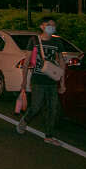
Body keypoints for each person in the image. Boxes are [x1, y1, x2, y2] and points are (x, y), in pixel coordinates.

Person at [16, 17, 66, 145]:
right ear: (42, 27)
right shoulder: (34, 41)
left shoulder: (57, 42)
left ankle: (49, 135)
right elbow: (27, 62)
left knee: (52, 108)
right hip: (38, 79)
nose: (52, 27)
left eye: (54, 25)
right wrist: (24, 81)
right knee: (36, 106)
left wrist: (62, 82)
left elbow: (61, 62)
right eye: (49, 25)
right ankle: (25, 120)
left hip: (52, 79)